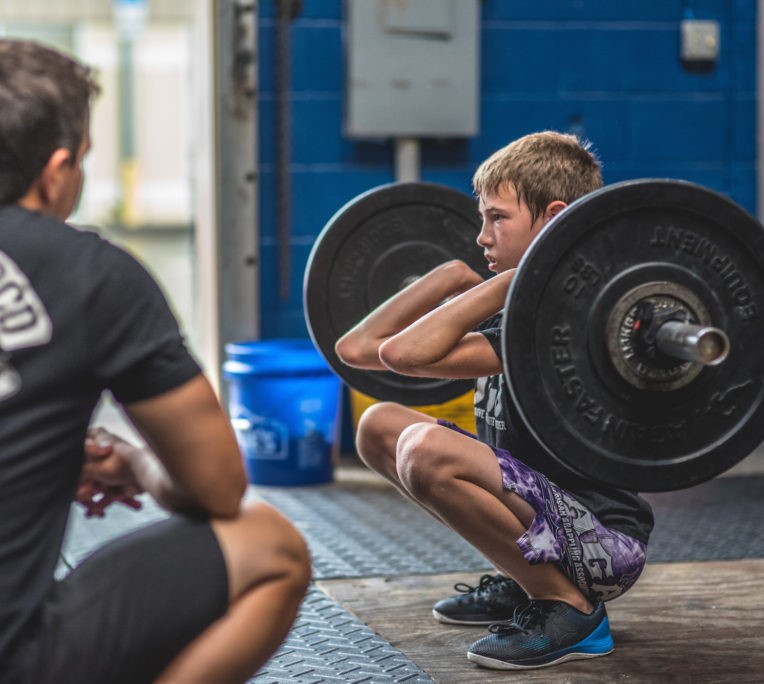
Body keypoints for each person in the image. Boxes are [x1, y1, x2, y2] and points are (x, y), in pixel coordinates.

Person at [0, 39, 310, 683]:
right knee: (271, 546)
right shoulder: (91, 274)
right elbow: (219, 489)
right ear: (57, 170)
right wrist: (136, 461)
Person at [335, 131, 655, 670]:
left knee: (424, 450)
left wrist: (513, 279)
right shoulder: (516, 305)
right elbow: (359, 350)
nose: (481, 236)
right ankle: (526, 580)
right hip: (548, 518)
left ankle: (571, 609)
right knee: (378, 426)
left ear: (553, 219)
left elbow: (406, 354)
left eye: (497, 218)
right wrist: (450, 278)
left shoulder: (561, 320)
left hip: (602, 542)